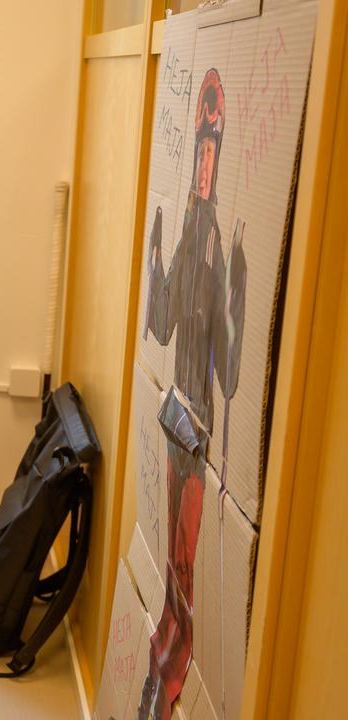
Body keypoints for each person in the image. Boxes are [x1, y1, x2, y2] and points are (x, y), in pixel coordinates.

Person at [138, 68, 246, 720]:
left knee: (184, 567)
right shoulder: (186, 228)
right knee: (173, 578)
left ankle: (173, 677)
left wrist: (235, 287)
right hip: (173, 415)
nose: (204, 159)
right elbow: (161, 321)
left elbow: (230, 373)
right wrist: (155, 256)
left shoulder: (214, 240)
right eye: (199, 145)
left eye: (212, 144)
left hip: (199, 428)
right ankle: (160, 667)